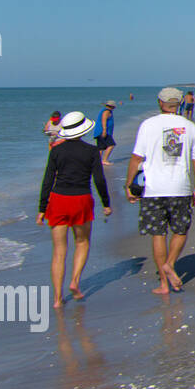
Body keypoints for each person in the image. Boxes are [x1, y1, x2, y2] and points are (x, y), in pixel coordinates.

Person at [125, 88, 195, 296]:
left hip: (152, 189)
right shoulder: (190, 126)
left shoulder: (147, 125)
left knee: (158, 234)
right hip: (180, 187)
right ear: (179, 104)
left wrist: (128, 186)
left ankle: (163, 283)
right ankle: (170, 264)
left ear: (160, 103)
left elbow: (136, 158)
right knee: (180, 230)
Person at [37, 111, 113, 308]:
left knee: (59, 252)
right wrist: (106, 203)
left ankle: (56, 299)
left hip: (58, 200)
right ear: (83, 129)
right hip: (81, 200)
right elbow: (98, 180)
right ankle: (75, 281)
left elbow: (47, 180)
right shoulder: (91, 151)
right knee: (82, 242)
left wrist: (42, 208)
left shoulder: (55, 150)